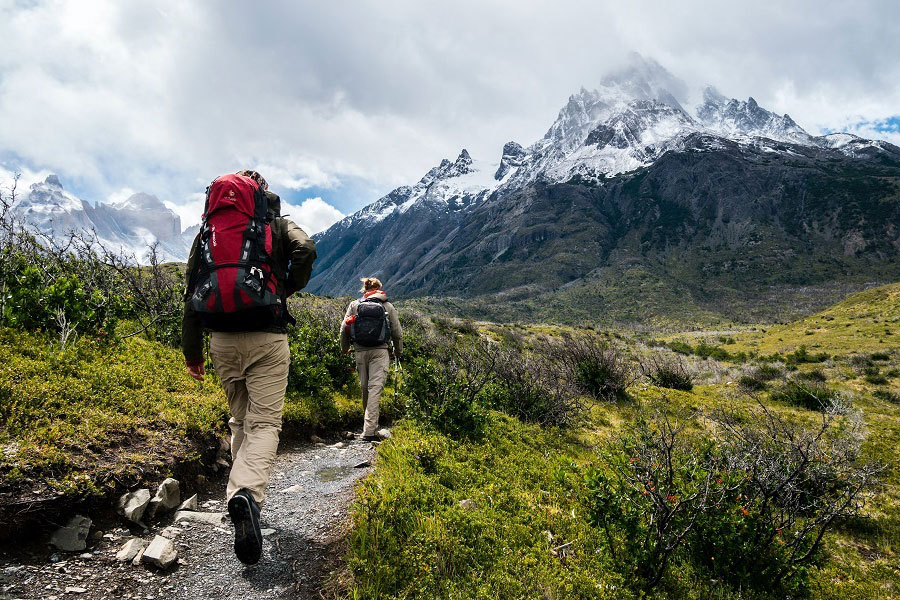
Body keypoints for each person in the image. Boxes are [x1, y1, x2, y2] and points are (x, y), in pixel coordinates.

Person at [182, 169, 316, 565]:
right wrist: (287, 286)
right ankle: (247, 496)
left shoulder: (209, 231)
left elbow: (192, 288)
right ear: (261, 193)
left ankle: (239, 496)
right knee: (266, 424)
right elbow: (306, 249)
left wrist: (193, 353)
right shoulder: (274, 224)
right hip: (266, 336)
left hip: (221, 340)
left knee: (239, 420)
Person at [340, 278, 402, 441]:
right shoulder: (387, 306)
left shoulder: (355, 305)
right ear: (379, 289)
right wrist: (398, 351)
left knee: (365, 388)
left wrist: (345, 349)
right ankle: (369, 431)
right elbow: (397, 331)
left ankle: (369, 427)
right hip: (380, 352)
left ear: (364, 290)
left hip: (360, 351)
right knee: (375, 388)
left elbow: (344, 328)